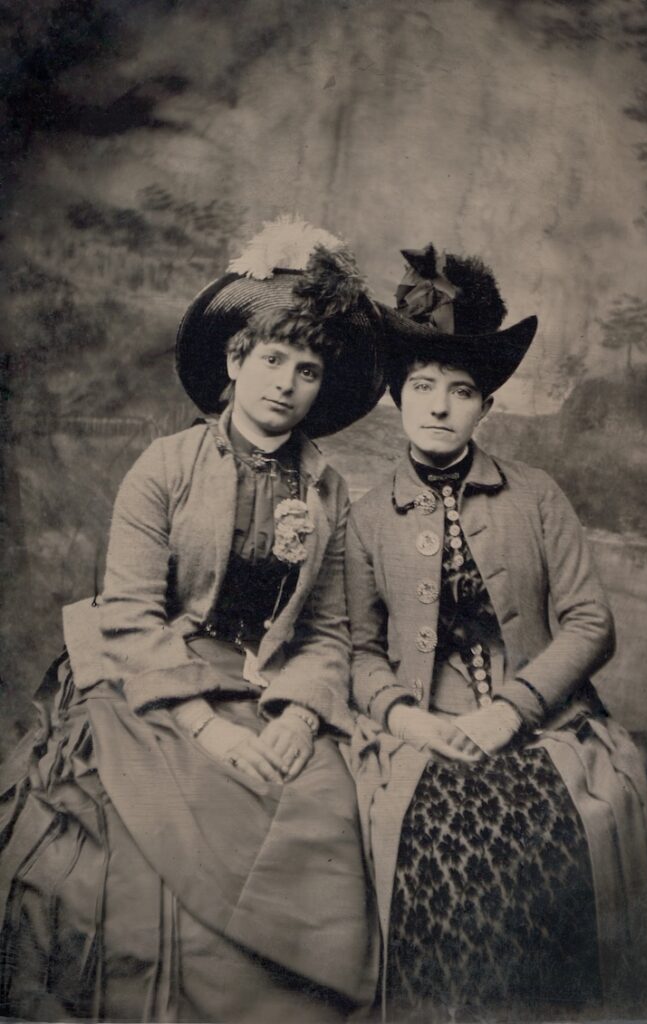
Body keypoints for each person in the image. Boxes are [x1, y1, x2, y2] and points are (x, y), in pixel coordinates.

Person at [0, 217, 385, 1023]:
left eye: (306, 369)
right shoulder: (165, 468)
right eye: (271, 359)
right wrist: (207, 727)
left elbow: (331, 631)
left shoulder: (328, 487)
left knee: (320, 803)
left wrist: (299, 715)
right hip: (160, 676)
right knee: (157, 822)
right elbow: (131, 615)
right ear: (235, 362)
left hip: (273, 683)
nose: (285, 382)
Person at [345, 245, 647, 1022]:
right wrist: (406, 717)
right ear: (398, 398)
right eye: (422, 387)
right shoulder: (367, 513)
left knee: (551, 820)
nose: (440, 406)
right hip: (419, 724)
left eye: (462, 390)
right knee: (430, 822)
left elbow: (591, 622)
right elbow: (351, 647)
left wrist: (512, 710)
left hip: (541, 719)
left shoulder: (538, 496)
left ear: (487, 406)